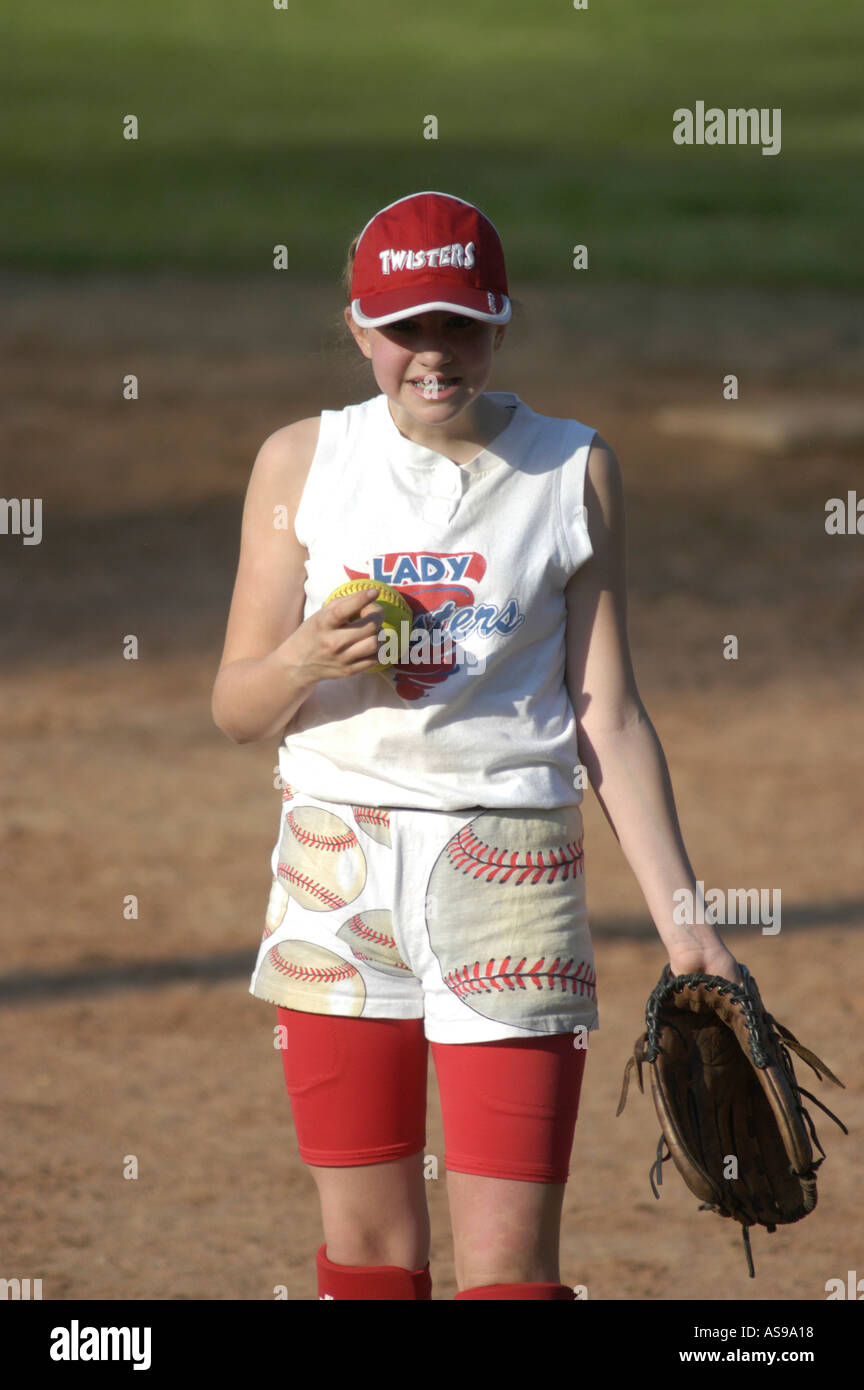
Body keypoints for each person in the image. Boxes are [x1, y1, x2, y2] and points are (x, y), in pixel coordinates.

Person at [211, 190, 742, 1301]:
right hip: (336, 870)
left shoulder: (571, 469)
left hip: (514, 877)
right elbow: (236, 705)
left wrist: (691, 932)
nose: (434, 354)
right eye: (406, 328)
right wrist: (308, 656)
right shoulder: (301, 461)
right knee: (367, 1252)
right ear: (359, 328)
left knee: (509, 1265)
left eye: (460, 323)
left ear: (500, 320)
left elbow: (609, 713)